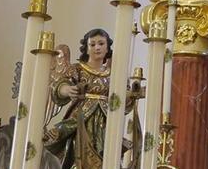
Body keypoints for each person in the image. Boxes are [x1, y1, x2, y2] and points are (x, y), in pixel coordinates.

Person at [45, 29, 138, 169]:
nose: (97, 47)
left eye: (101, 43)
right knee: (80, 154)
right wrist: (67, 89)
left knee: (106, 153)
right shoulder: (78, 69)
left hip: (106, 121)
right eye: (92, 44)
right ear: (86, 48)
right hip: (81, 119)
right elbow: (60, 85)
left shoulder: (114, 74)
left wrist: (132, 94)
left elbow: (121, 98)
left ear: (107, 48)